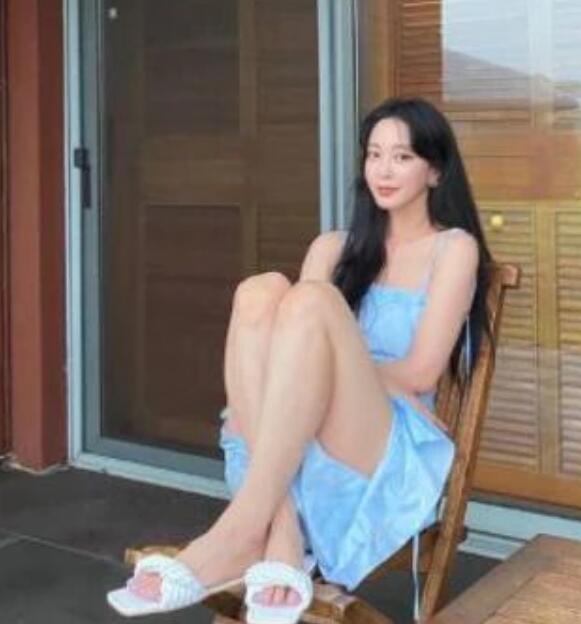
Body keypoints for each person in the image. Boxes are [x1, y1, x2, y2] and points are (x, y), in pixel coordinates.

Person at [107, 97, 494, 623]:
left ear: (435, 170)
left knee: (311, 301)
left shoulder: (454, 248)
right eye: (374, 154)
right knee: (260, 290)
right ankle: (281, 527)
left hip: (379, 445)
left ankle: (238, 532)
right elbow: (290, 353)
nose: (383, 170)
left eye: (402, 157)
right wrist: (315, 372)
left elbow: (420, 372)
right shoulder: (333, 247)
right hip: (295, 434)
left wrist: (328, 369)